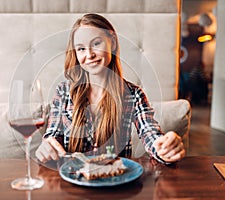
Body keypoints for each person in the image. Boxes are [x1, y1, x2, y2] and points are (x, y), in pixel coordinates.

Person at [35, 13, 185, 164]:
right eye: (81, 49)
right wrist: (47, 146)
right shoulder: (63, 92)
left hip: (116, 181)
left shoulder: (134, 94)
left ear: (112, 43)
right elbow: (53, 134)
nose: (89, 54)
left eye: (96, 43)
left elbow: (150, 133)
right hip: (73, 180)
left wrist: (163, 148)